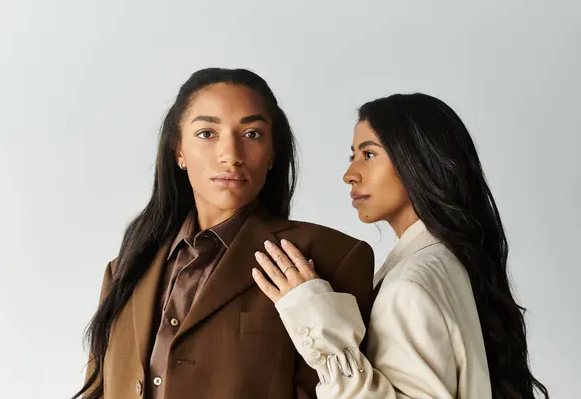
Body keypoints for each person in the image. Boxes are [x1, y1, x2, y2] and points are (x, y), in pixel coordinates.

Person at [72, 68, 376, 399]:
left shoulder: (332, 257)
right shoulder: (126, 268)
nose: (230, 156)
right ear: (179, 151)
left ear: (273, 151)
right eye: (207, 133)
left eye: (252, 134)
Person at [253, 93, 550, 399]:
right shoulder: (449, 262)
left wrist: (319, 323)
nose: (349, 175)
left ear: (417, 160)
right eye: (352, 155)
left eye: (368, 155)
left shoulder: (409, 286)